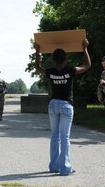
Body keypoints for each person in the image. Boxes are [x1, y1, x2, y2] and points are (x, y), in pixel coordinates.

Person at [34, 39, 91, 175]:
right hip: (66, 105)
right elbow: (87, 65)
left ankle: (54, 166)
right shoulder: (71, 70)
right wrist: (84, 48)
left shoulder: (50, 71)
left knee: (54, 136)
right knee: (64, 137)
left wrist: (37, 51)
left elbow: (37, 67)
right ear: (65, 59)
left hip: (53, 105)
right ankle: (65, 168)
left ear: (53, 59)